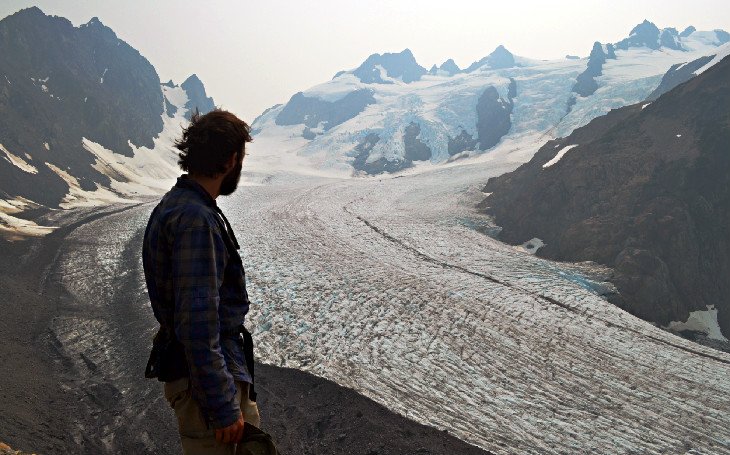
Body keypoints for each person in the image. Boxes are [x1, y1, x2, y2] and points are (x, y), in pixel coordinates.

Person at [142, 109, 260, 454]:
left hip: (204, 379)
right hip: (207, 388)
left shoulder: (180, 206)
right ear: (230, 160)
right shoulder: (196, 220)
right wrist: (224, 407)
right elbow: (197, 324)